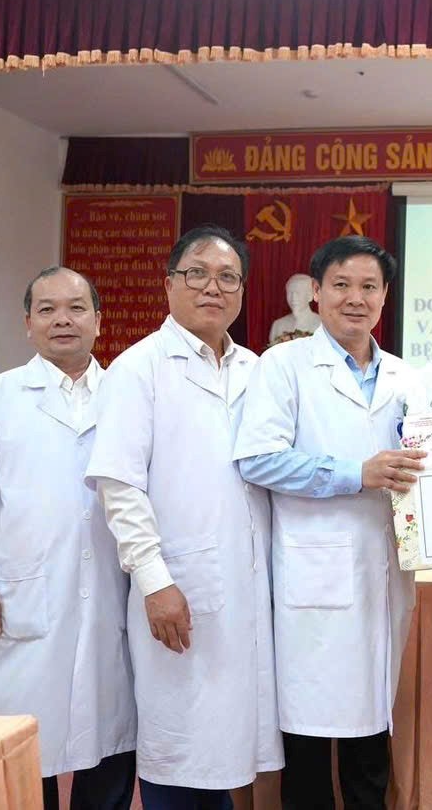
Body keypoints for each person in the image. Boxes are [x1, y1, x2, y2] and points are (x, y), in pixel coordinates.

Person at [85, 225, 283, 809]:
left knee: (227, 745)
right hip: (180, 585)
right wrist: (155, 582)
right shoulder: (138, 369)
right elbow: (120, 486)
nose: (212, 287)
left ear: (243, 291)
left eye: (227, 277)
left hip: (248, 587)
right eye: (197, 273)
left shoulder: (257, 369)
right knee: (179, 740)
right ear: (169, 284)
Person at [0, 266, 136, 810]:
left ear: (99, 320)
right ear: (28, 323)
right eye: (47, 309)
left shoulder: (128, 395)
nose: (62, 320)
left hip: (113, 595)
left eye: (76, 308)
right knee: (24, 751)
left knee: (112, 747)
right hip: (23, 599)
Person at [234, 236, 423, 810]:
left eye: (369, 287)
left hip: (385, 568)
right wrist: (354, 473)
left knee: (373, 729)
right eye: (341, 285)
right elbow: (257, 458)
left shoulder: (405, 377)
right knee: (309, 734)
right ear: (316, 292)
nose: (355, 298)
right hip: (314, 570)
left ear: (385, 296)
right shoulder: (283, 366)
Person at [268, 273, 321, 344]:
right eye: (290, 293)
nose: (293, 298)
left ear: (310, 296)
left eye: (298, 293)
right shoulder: (278, 325)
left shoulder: (322, 324)